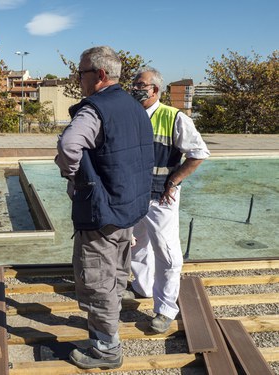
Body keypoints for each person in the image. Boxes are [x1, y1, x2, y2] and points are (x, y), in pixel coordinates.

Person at [55, 46, 154, 370]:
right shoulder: (135, 106)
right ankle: (108, 334)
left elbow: (70, 145)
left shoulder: (95, 109)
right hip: (127, 209)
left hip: (101, 212)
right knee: (115, 277)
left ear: (98, 75)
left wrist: (73, 174)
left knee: (96, 281)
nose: (77, 79)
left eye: (80, 73)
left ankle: (105, 350)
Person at [127, 66, 210, 333]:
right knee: (137, 246)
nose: (136, 89)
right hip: (133, 196)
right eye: (135, 85)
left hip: (160, 198)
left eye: (142, 85)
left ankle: (165, 309)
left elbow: (198, 153)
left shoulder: (173, 117)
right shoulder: (131, 116)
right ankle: (142, 287)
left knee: (168, 254)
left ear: (156, 90)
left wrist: (174, 181)